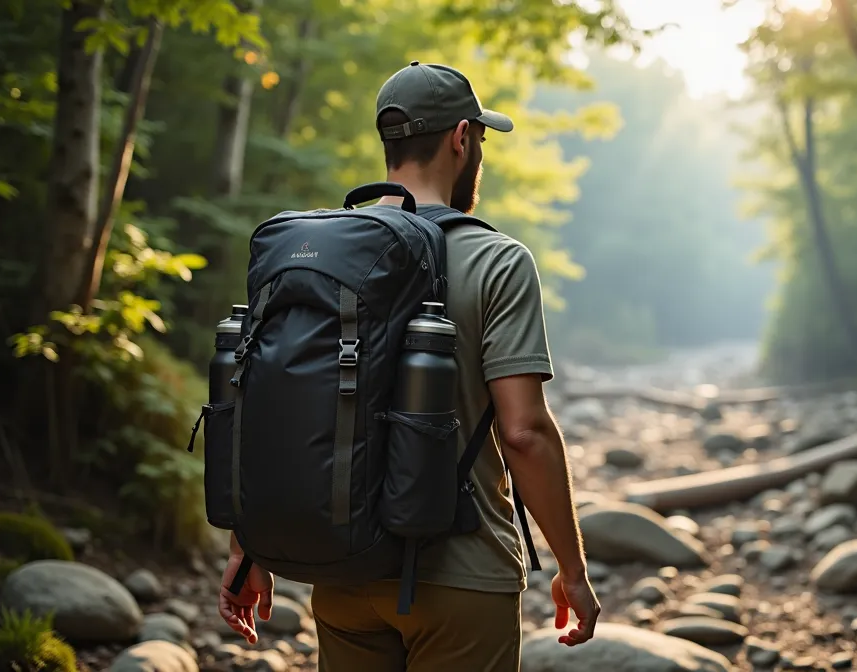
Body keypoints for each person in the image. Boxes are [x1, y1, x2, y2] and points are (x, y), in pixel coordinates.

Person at [215, 61, 600, 670]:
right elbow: (524, 433)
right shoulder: (498, 260)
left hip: (343, 569)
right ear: (461, 139)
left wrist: (248, 549)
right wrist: (572, 570)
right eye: (480, 138)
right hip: (463, 577)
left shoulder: (319, 256)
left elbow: (269, 403)